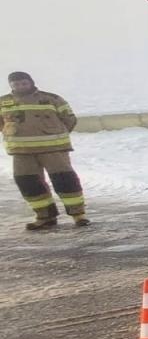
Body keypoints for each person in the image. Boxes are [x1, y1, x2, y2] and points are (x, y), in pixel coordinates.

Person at [2, 72, 88, 230]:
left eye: (24, 83)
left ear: (31, 82)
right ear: (11, 86)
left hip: (53, 149)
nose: (20, 87)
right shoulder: (3, 102)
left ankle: (79, 215)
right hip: (22, 151)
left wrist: (55, 135)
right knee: (28, 184)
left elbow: (69, 119)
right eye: (16, 84)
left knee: (64, 180)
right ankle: (45, 217)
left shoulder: (52, 99)